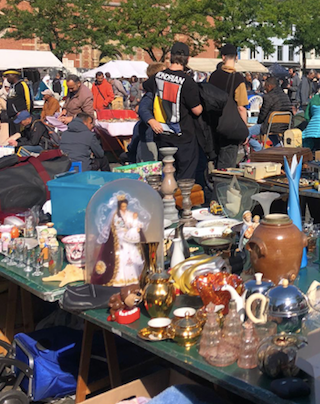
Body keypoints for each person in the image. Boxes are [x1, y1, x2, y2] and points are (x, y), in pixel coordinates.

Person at [145, 42, 203, 180]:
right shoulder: (188, 82)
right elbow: (197, 110)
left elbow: (146, 87)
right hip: (183, 135)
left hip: (163, 133)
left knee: (168, 174)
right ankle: (180, 200)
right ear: (187, 59)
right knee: (185, 176)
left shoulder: (158, 76)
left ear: (170, 56)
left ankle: (167, 199)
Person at [90, 195, 146, 286]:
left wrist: (135, 220)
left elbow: (134, 223)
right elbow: (120, 226)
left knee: (133, 251)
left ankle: (134, 277)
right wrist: (129, 227)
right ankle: (120, 279)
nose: (124, 208)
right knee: (122, 255)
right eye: (122, 206)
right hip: (121, 235)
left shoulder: (129, 213)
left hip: (128, 235)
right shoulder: (116, 215)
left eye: (125, 206)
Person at [208, 43, 249, 169]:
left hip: (213, 124)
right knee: (227, 165)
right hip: (230, 127)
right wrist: (245, 131)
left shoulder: (213, 76)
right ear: (236, 57)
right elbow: (241, 107)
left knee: (215, 161)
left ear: (223, 57)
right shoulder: (238, 79)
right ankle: (222, 188)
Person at [248, 76, 293, 152]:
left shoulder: (268, 97)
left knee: (245, 133)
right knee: (272, 134)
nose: (264, 88)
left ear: (269, 86)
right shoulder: (285, 96)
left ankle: (258, 148)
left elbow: (262, 115)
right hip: (285, 125)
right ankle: (279, 148)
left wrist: (258, 123)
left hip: (270, 126)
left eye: (265, 86)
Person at [3, 69, 33, 136]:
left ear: (14, 75)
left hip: (20, 116)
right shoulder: (12, 87)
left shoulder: (22, 85)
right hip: (11, 117)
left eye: (8, 76)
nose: (6, 78)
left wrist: (25, 113)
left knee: (19, 136)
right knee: (12, 136)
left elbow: (28, 100)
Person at [0, 79, 11, 145]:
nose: (7, 88)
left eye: (9, 87)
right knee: (3, 139)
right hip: (4, 119)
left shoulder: (14, 94)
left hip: (13, 119)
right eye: (6, 87)